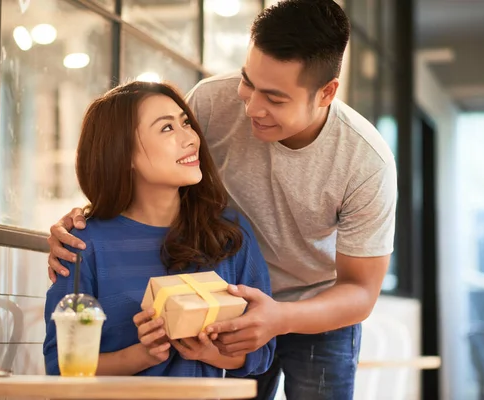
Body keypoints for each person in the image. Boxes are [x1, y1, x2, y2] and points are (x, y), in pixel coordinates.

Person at [47, 0, 397, 398]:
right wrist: (86, 220)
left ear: (326, 93)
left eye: (275, 98)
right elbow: (145, 167)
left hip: (314, 308)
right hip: (223, 300)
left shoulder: (365, 161)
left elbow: (360, 291)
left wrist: (279, 317)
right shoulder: (212, 102)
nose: (251, 106)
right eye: (248, 81)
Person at [43, 81, 275, 377]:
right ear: (123, 154)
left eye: (185, 122)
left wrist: (211, 353)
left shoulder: (229, 234)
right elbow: (61, 366)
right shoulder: (83, 246)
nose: (190, 138)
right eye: (167, 128)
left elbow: (261, 352)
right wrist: (140, 356)